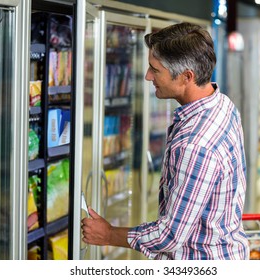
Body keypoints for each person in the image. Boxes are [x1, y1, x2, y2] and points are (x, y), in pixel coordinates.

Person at [81, 22, 250, 260]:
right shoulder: (221, 104)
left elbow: (169, 236)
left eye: (155, 70)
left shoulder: (195, 145)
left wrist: (109, 234)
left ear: (186, 77)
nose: (148, 76)